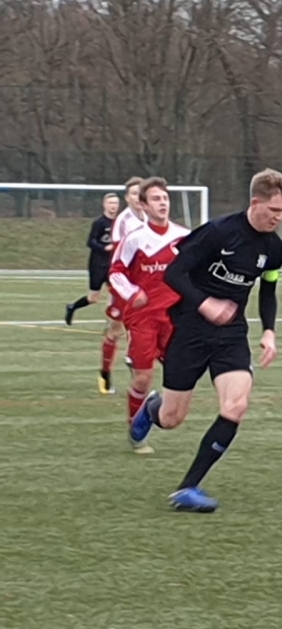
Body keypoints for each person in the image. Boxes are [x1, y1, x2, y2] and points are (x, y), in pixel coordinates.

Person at [129, 168, 282, 512]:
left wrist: (269, 331)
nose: (278, 217)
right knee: (172, 419)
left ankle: (188, 488)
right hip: (189, 331)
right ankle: (153, 408)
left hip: (231, 334)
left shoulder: (274, 249)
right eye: (274, 210)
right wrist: (205, 304)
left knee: (236, 406)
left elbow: (269, 289)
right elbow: (174, 273)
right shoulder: (218, 232)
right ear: (255, 202)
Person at [107, 178, 189, 455]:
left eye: (165, 198)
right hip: (143, 318)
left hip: (175, 318)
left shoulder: (184, 237)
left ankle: (155, 408)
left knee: (182, 375)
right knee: (143, 378)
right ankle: (136, 430)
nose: (162, 203)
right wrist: (132, 293)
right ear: (143, 205)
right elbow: (116, 272)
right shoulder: (135, 239)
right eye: (155, 198)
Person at [99, 177, 147, 395]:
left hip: (145, 283)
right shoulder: (123, 221)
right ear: (127, 197)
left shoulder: (151, 217)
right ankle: (105, 373)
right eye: (134, 194)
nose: (138, 198)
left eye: (141, 193)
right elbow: (120, 256)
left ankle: (138, 374)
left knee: (142, 328)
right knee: (116, 329)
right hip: (125, 284)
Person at [65, 193, 119, 326]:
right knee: (93, 298)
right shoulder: (99, 223)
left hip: (113, 264)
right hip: (98, 264)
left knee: (115, 294)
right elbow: (91, 242)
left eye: (115, 203)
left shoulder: (120, 222)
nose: (113, 206)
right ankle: (72, 307)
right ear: (104, 205)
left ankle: (110, 324)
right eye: (110, 203)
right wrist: (104, 248)